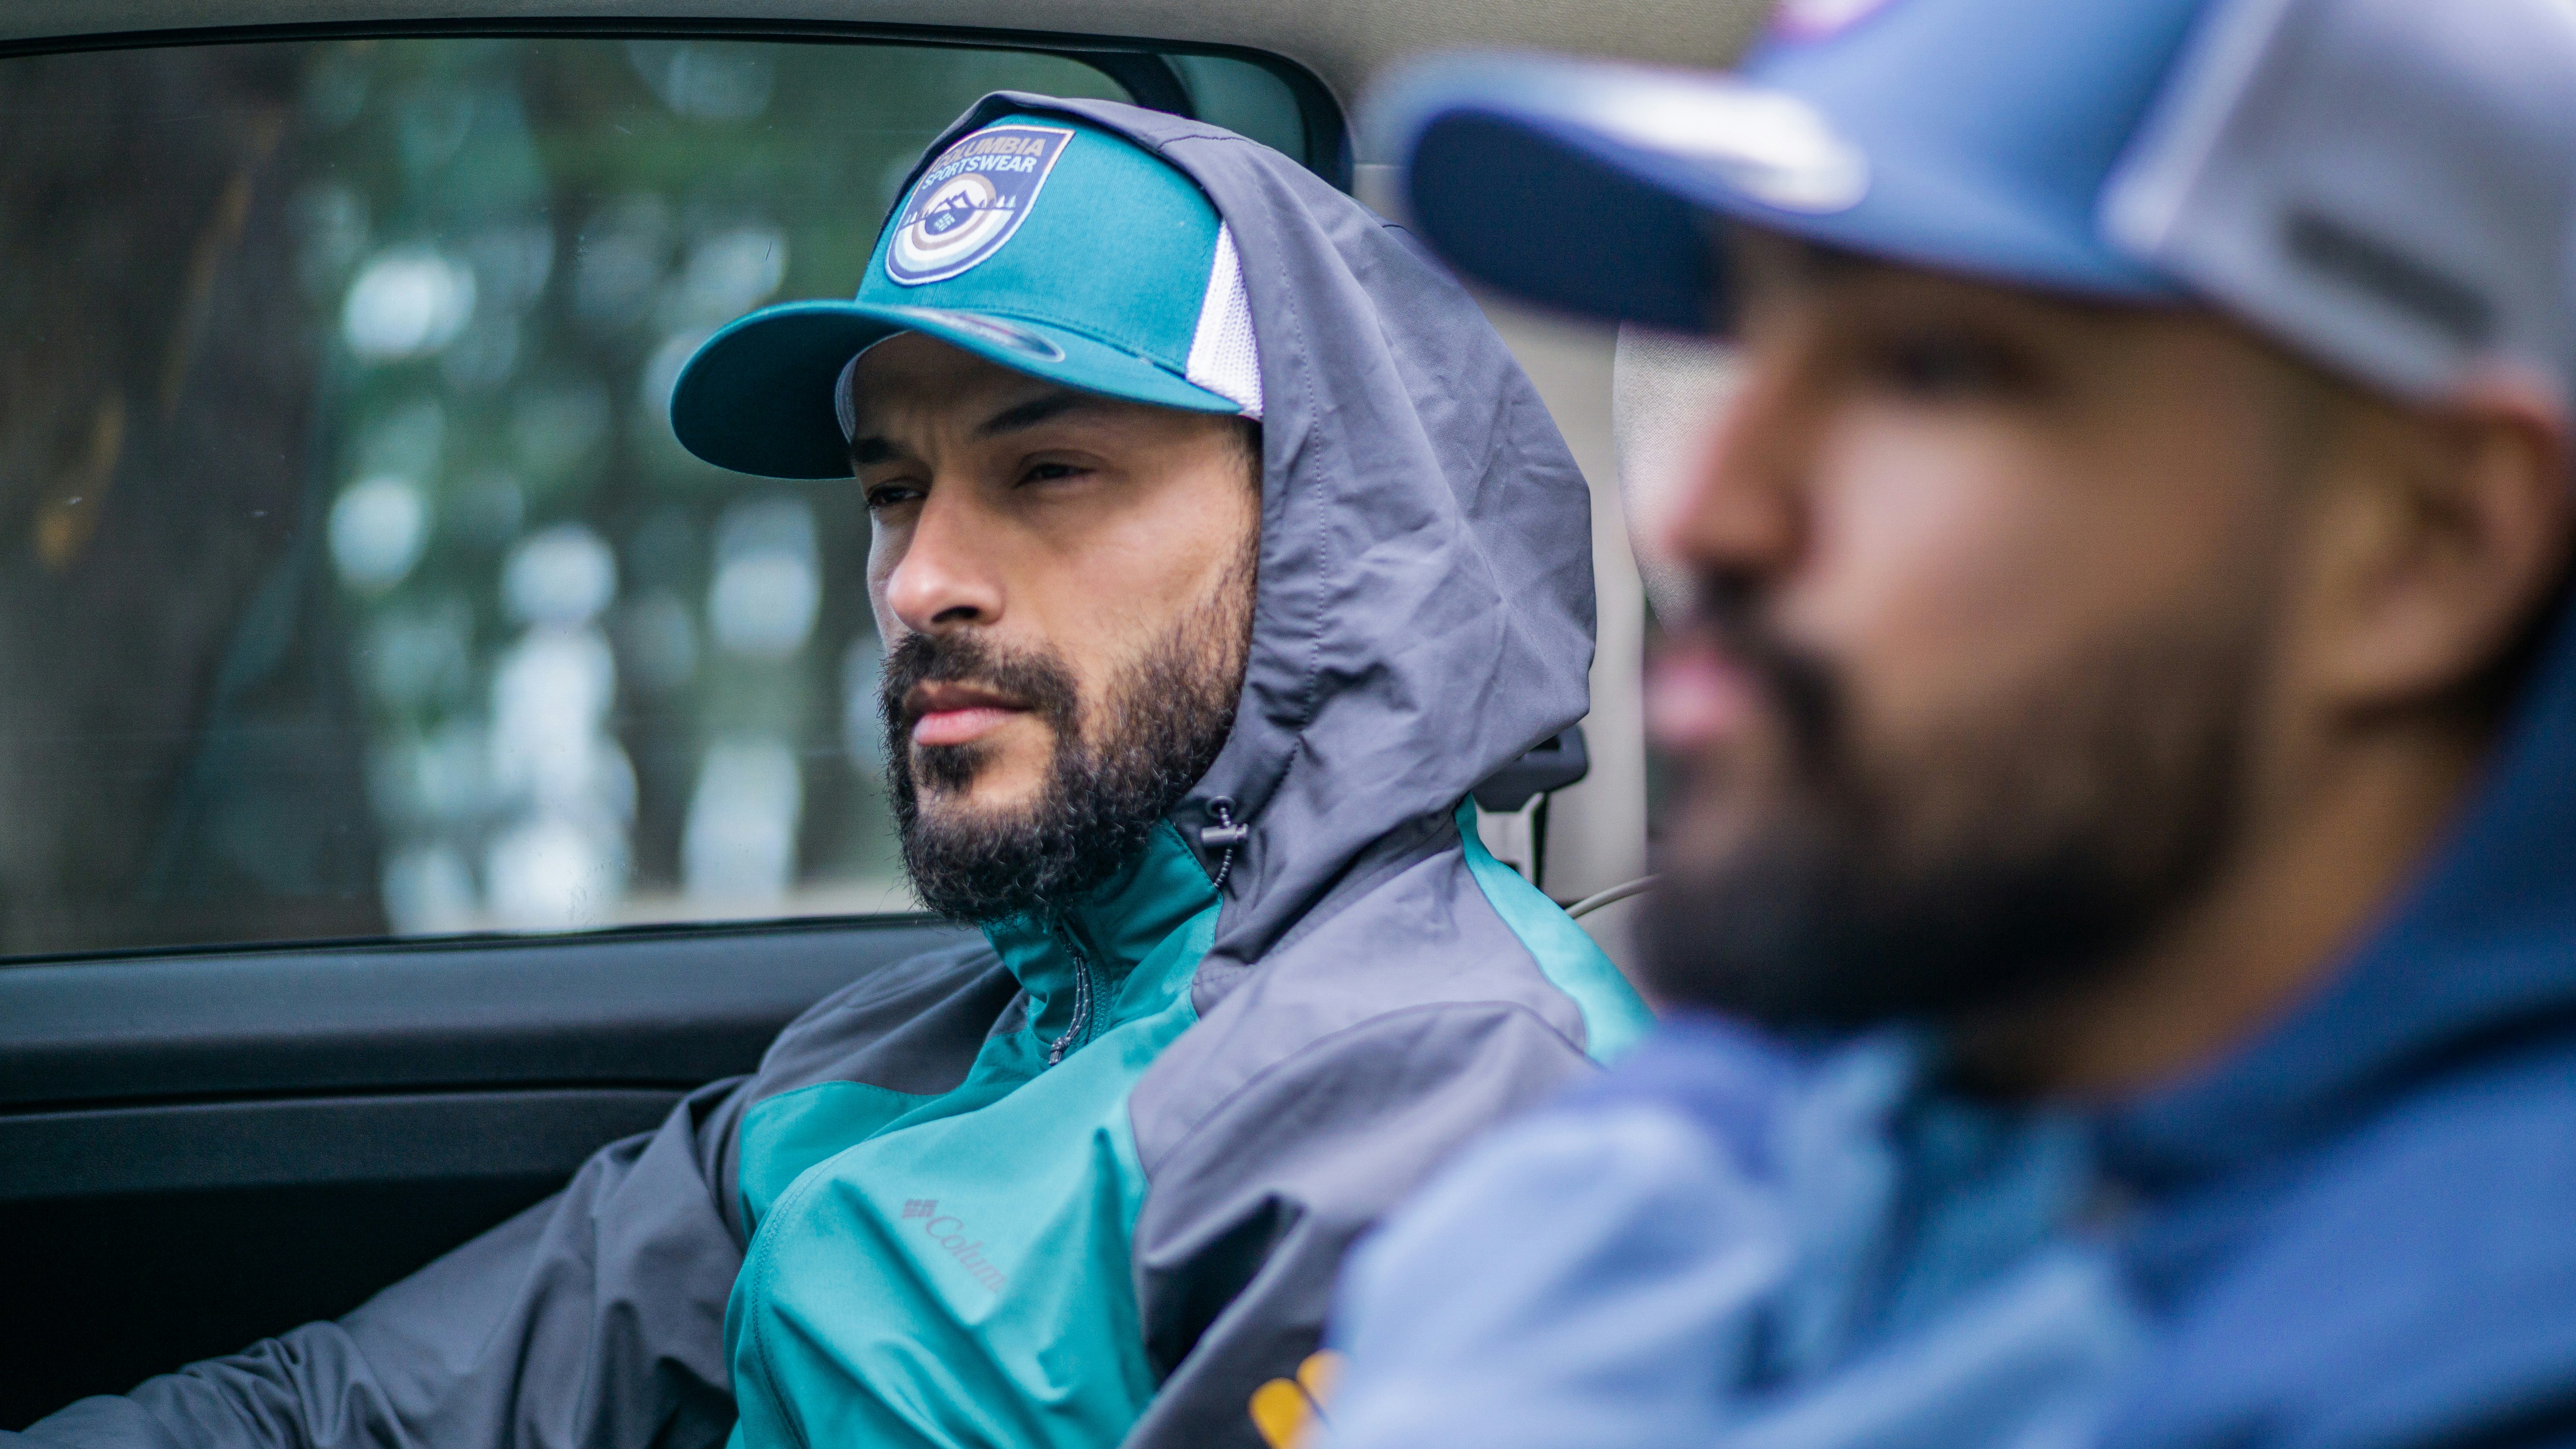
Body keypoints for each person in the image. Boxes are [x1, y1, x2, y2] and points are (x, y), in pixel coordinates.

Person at [12, 97, 1647, 1449]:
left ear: (1321, 532)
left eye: (1051, 467)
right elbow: (354, 1415)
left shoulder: (1447, 1103)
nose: (923, 577)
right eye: (893, 490)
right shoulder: (912, 1046)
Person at [1318, 1, 2576, 1446]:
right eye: (1748, 335)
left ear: (2429, 539)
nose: (1705, 515)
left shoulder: (2491, 1357)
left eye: (1930, 366)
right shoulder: (1930, 1021)